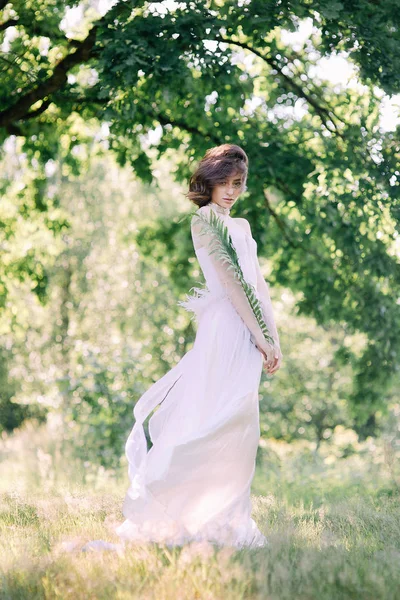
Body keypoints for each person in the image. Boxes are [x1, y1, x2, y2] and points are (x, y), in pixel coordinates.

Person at [82, 144, 282, 553]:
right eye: (223, 182)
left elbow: (259, 286)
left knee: (241, 423)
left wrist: (272, 338)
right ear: (207, 181)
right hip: (225, 329)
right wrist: (256, 335)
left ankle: (225, 520)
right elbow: (230, 283)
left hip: (252, 334)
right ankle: (173, 507)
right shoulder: (204, 221)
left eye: (237, 183)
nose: (230, 191)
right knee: (211, 415)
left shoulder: (241, 227)